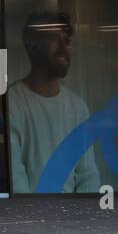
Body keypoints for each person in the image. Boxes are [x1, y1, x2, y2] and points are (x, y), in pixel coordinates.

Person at [8, 12, 101, 193]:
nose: (64, 48)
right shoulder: (11, 102)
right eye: (54, 38)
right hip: (28, 217)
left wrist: (85, 216)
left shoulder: (77, 106)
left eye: (66, 40)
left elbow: (88, 175)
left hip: (73, 216)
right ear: (32, 45)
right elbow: (16, 182)